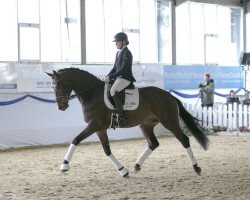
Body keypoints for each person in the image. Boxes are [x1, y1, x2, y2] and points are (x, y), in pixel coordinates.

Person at [104, 32, 136, 125]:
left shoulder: (127, 53)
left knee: (113, 90)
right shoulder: (118, 53)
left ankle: (122, 116)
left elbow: (123, 69)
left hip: (126, 78)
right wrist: (108, 76)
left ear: (124, 42)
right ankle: (113, 114)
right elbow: (114, 68)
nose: (116, 43)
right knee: (108, 88)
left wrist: (111, 76)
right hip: (118, 78)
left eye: (117, 41)